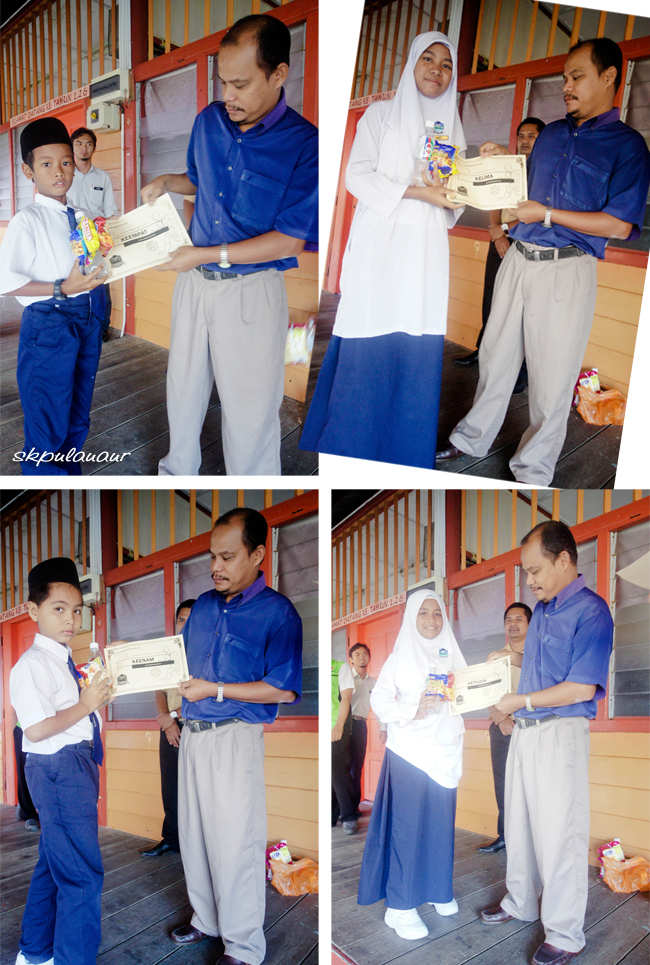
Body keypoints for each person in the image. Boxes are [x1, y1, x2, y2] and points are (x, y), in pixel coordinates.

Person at [438, 37, 650, 485]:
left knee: (553, 377)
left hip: (566, 269)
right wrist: (502, 161)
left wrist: (549, 215)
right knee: (495, 357)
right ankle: (471, 439)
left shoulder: (628, 146)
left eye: (577, 76)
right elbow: (522, 188)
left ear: (609, 77)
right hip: (518, 258)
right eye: (565, 77)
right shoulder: (551, 134)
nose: (566, 86)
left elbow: (619, 225)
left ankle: (532, 468)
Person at [141, 14, 318, 477]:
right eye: (223, 82)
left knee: (251, 407)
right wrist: (168, 181)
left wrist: (202, 254)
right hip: (194, 283)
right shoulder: (209, 122)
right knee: (183, 388)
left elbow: (289, 238)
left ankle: (253, 481)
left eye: (240, 84)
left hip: (251, 292)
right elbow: (199, 180)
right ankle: (177, 471)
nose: (228, 96)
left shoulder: (305, 144)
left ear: (278, 74)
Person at [299, 31, 465, 470]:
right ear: (411, 63)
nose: (437, 69)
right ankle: (351, 448)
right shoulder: (381, 114)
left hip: (426, 253)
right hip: (381, 247)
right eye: (428, 58)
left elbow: (457, 197)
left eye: (446, 64)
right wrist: (419, 192)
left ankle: (403, 453)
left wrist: (477, 173)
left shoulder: (453, 128)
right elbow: (356, 175)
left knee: (416, 339)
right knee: (368, 334)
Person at [169, 508, 302, 965]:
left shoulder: (278, 613)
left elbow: (283, 689)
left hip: (233, 737)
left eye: (227, 557)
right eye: (212, 556)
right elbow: (180, 666)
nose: (215, 567)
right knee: (194, 836)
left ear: (258, 554)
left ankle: (243, 946)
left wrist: (216, 690)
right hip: (192, 735)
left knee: (236, 844)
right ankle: (206, 920)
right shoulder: (204, 606)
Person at [479, 521, 613, 965]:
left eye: (535, 570)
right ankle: (520, 902)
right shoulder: (542, 612)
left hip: (560, 732)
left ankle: (565, 934)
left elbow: (580, 687)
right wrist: (504, 670)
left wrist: (520, 700)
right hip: (525, 732)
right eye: (526, 572)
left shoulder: (592, 612)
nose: (530, 580)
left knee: (560, 835)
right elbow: (537, 666)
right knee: (518, 824)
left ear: (564, 559)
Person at [9, 557, 112, 965]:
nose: (70, 619)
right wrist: (86, 704)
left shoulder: (64, 660)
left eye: (76, 610)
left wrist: (93, 699)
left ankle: (34, 953)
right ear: (33, 611)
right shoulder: (31, 664)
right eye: (58, 609)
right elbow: (35, 730)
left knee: (54, 863)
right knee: (82, 874)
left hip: (73, 766)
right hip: (58, 768)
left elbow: (75, 711)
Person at [0, 117, 107, 476]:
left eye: (65, 162)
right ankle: (42, 484)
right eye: (46, 164)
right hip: (49, 323)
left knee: (77, 417)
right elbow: (6, 282)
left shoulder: (80, 215)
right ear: (28, 171)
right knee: (48, 421)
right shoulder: (27, 220)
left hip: (86, 319)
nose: (59, 171)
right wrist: (62, 288)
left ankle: (70, 480)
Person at [357, 590, 467, 940]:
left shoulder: (453, 654)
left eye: (437, 613)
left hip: (446, 751)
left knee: (440, 824)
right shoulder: (399, 657)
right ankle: (400, 907)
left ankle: (437, 889)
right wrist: (413, 710)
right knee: (407, 828)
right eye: (423, 613)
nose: (431, 620)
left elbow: (469, 693)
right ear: (411, 618)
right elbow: (379, 700)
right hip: (410, 753)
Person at [453, 117, 546, 395]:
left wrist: (504, 230)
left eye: (532, 136)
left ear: (543, 139)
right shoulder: (509, 166)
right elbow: (494, 200)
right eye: (521, 136)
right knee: (491, 299)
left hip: (526, 242)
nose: (525, 141)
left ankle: (520, 370)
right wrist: (496, 233)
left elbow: (537, 214)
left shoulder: (543, 171)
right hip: (500, 239)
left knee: (521, 308)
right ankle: (484, 350)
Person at [140, 598, 196, 858]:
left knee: (197, 789)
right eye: (181, 620)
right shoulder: (169, 655)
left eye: (192, 620)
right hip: (170, 725)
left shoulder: (207, 654)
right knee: (171, 785)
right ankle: (172, 840)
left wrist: (172, 716)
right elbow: (159, 689)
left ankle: (196, 846)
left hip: (196, 726)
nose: (186, 625)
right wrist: (166, 718)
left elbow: (206, 695)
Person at [476, 601, 532, 854]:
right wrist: (500, 718)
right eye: (509, 619)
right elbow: (485, 692)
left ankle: (531, 840)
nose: (513, 623)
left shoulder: (538, 655)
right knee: (504, 784)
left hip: (533, 726)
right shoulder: (494, 657)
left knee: (533, 783)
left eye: (519, 619)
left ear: (530, 624)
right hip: (502, 728)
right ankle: (505, 836)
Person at [67, 127, 118, 340]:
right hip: (72, 236)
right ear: (72, 147)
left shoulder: (103, 177)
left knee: (99, 280)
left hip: (96, 237)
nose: (83, 148)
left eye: (88, 143)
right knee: (71, 277)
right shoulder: (66, 174)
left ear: (94, 148)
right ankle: (74, 324)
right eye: (79, 143)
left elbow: (110, 210)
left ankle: (102, 327)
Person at [348, 643, 377, 815]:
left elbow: (379, 706)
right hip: (344, 724)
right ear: (351, 659)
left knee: (357, 767)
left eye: (365, 654)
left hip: (360, 725)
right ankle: (338, 808)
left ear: (369, 658)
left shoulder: (373, 683)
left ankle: (353, 807)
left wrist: (383, 728)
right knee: (341, 767)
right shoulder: (345, 679)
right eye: (357, 654)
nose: (361, 657)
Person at [331, 657, 357, 834]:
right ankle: (332, 815)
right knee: (330, 773)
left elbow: (346, 698)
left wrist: (339, 725)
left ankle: (348, 816)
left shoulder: (340, 667)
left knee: (339, 770)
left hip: (336, 726)